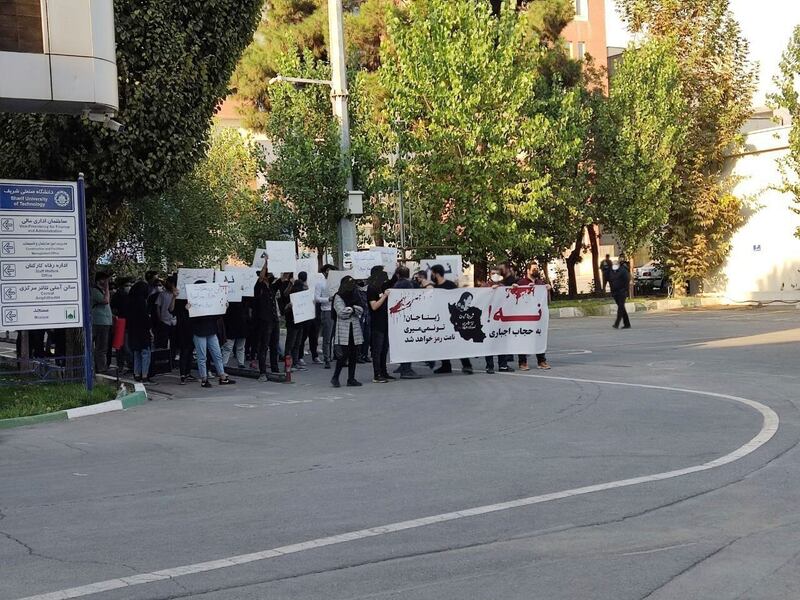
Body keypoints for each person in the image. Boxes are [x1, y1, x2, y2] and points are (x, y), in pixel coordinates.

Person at [187, 280, 236, 388]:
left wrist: (224, 307)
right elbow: (190, 320)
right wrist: (188, 310)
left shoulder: (209, 300)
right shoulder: (192, 303)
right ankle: (204, 379)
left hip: (210, 330)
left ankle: (221, 376)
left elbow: (216, 316)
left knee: (217, 354)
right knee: (202, 356)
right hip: (200, 331)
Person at [430, 264, 473, 375]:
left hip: (452, 319)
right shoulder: (434, 287)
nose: (431, 275)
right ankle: (446, 365)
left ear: (436, 273)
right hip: (440, 319)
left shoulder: (450, 285)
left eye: (432, 273)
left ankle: (467, 365)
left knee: (458, 342)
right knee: (442, 342)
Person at [331, 275, 364, 387]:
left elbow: (361, 309)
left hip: (354, 328)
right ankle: (335, 377)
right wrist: (353, 309)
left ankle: (351, 378)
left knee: (354, 354)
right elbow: (341, 312)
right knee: (344, 355)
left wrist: (353, 309)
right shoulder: (338, 296)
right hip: (344, 328)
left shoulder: (355, 294)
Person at [126, 281, 157, 384]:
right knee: (145, 352)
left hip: (133, 329)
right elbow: (145, 318)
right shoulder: (142, 301)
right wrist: (150, 330)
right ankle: (145, 376)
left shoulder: (130, 301)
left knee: (137, 352)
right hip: (143, 331)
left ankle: (137, 374)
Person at [393, 266, 421, 379]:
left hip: (400, 318)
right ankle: (406, 369)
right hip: (407, 317)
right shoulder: (408, 284)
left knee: (402, 343)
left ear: (398, 275)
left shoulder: (397, 284)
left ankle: (403, 366)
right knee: (407, 343)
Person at [522, 263, 551, 370]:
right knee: (524, 339)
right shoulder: (522, 283)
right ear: (528, 270)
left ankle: (541, 361)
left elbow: (544, 300)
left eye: (537, 269)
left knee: (539, 338)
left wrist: (547, 288)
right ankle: (523, 362)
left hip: (538, 317)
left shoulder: (540, 283)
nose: (536, 270)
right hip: (525, 317)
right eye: (534, 269)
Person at [254, 264, 280, 382]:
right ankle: (262, 372)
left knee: (274, 345)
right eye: (267, 273)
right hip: (264, 320)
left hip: (274, 319)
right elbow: (261, 277)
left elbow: (284, 278)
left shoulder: (272, 287)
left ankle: (275, 369)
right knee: (264, 346)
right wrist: (266, 262)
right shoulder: (259, 286)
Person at [367, 265, 392, 383]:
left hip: (385, 322)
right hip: (377, 323)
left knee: (384, 349)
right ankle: (377, 374)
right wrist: (385, 296)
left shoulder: (382, 287)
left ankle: (384, 372)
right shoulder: (372, 289)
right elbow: (374, 306)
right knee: (377, 350)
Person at [169, 288, 197, 385]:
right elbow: (171, 309)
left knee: (189, 351)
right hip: (182, 328)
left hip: (192, 327)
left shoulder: (194, 298)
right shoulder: (179, 298)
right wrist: (174, 297)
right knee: (185, 351)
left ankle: (187, 373)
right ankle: (183, 375)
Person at [283, 271, 309, 370]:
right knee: (292, 343)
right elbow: (285, 308)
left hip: (298, 321)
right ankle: (289, 364)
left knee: (295, 343)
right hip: (295, 321)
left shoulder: (296, 292)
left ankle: (293, 363)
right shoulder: (292, 294)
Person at [91, 272, 113, 373]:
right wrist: (107, 288)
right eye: (105, 280)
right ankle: (101, 368)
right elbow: (105, 301)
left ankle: (101, 366)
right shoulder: (95, 291)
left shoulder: (102, 291)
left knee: (103, 347)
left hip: (105, 322)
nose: (106, 282)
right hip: (99, 322)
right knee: (101, 347)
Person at [316, 264, 336, 368]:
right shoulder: (321, 284)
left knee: (334, 336)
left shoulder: (336, 283)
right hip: (327, 311)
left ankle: (332, 355)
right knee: (327, 337)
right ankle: (327, 358)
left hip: (336, 310)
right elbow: (317, 298)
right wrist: (328, 299)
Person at [221, 299, 247, 369]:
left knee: (237, 346)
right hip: (234, 324)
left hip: (238, 323)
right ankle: (224, 364)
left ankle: (239, 363)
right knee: (230, 347)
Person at [154, 276, 177, 352]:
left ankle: (173, 355)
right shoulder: (162, 294)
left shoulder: (177, 294)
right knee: (163, 341)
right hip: (164, 320)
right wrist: (159, 317)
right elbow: (158, 306)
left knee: (174, 341)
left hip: (174, 321)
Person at [611, 257, 632, 329]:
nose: (614, 265)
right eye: (613, 264)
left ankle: (617, 323)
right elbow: (612, 282)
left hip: (622, 292)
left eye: (615, 264)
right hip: (615, 293)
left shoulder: (623, 271)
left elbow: (627, 280)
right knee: (622, 308)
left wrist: (625, 290)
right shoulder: (613, 272)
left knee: (620, 308)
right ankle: (627, 324)